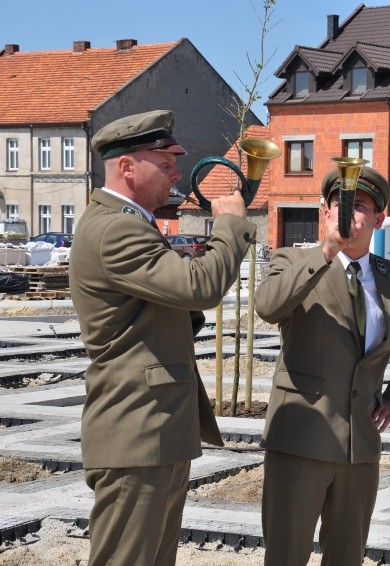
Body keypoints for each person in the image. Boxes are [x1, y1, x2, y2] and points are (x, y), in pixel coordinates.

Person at [69, 110, 255, 566]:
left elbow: (167, 308)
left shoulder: (132, 223)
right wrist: (229, 226)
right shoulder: (115, 228)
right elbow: (201, 288)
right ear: (127, 167)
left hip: (158, 429)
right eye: (165, 161)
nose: (176, 173)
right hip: (136, 430)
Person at [255, 166, 390, 566]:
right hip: (300, 441)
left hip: (359, 447)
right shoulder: (293, 260)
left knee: (347, 557)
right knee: (285, 556)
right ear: (324, 213)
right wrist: (326, 253)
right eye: (340, 205)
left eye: (360, 208)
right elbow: (267, 307)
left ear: (378, 219)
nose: (348, 216)